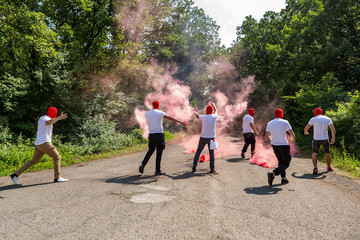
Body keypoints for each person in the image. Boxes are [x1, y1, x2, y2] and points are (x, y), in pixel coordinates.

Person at [10, 107, 68, 185]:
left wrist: (57, 118)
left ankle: (15, 175)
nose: (56, 114)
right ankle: (57, 178)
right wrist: (58, 118)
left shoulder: (42, 117)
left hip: (38, 144)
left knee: (34, 161)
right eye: (55, 113)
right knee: (57, 157)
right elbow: (48, 122)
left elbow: (49, 122)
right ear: (53, 113)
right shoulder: (46, 119)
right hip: (45, 143)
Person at [139, 101, 185, 175]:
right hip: (159, 134)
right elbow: (169, 118)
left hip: (151, 134)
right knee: (159, 151)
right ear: (158, 105)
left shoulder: (148, 114)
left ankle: (143, 165)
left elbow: (144, 122)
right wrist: (179, 121)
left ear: (152, 106)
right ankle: (157, 170)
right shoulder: (159, 112)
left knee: (151, 150)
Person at [265, 108, 295, 186]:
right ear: (281, 114)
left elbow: (266, 136)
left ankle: (284, 179)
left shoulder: (270, 123)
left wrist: (271, 139)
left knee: (281, 162)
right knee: (286, 163)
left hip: (274, 145)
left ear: (275, 115)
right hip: (283, 145)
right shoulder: (285, 122)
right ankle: (274, 174)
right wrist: (292, 139)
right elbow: (292, 133)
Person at [304, 107, 336, 175]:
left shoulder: (313, 119)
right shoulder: (327, 118)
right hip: (325, 139)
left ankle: (315, 168)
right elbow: (333, 129)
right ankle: (329, 167)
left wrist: (306, 132)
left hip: (316, 139)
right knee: (327, 153)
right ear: (321, 112)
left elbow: (306, 128)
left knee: (314, 153)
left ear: (315, 113)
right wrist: (333, 138)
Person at [191, 102, 217, 173]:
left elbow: (197, 115)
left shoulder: (204, 117)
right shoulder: (214, 116)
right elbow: (216, 111)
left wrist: (195, 111)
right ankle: (212, 168)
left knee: (198, 151)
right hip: (212, 138)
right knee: (211, 153)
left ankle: (194, 165)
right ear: (212, 111)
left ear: (206, 111)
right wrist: (213, 105)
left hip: (203, 137)